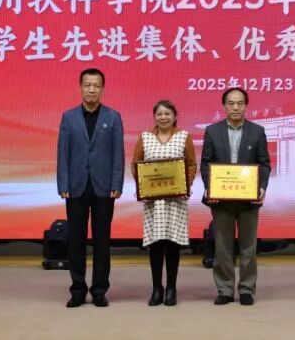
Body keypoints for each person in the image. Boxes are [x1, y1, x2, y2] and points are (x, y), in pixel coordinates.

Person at [56, 68, 124, 308]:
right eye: (87, 85)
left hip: (104, 187)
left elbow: (118, 153)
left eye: (96, 85)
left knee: (102, 240)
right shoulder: (69, 117)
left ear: (102, 88)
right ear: (81, 87)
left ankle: (99, 290)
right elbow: (63, 152)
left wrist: (117, 183)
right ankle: (77, 289)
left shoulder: (113, 117)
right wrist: (63, 183)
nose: (92, 90)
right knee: (75, 240)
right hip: (76, 187)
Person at [200, 87, 271, 306]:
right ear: (224, 106)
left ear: (246, 106)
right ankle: (225, 290)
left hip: (248, 198)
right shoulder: (212, 131)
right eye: (231, 103)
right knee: (223, 246)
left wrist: (261, 187)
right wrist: (210, 187)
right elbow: (206, 164)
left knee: (248, 246)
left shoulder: (257, 131)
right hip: (221, 198)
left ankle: (247, 289)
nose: (236, 107)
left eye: (240, 103)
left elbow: (264, 164)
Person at [131, 100, 197, 307]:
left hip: (176, 200)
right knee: (156, 245)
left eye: (167, 113)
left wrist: (185, 185)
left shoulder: (183, 136)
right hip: (154, 202)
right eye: (159, 114)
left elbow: (191, 164)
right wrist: (142, 186)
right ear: (155, 117)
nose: (163, 117)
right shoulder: (145, 137)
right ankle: (156, 288)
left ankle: (171, 288)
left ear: (175, 116)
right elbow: (135, 165)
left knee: (172, 245)